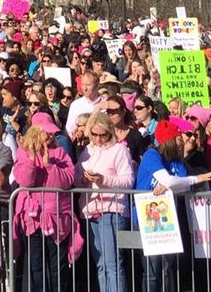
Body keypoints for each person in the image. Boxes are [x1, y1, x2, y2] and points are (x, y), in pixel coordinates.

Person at [135, 119, 211, 292]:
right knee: (153, 270)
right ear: (170, 141)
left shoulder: (177, 161)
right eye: (179, 139)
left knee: (167, 269)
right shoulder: (152, 155)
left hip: (168, 220)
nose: (182, 142)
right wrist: (189, 180)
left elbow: (179, 183)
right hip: (147, 218)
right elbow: (173, 180)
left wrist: (173, 184)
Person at [12, 113, 81, 292]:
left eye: (52, 133)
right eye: (46, 132)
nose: (51, 136)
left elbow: (67, 180)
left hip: (57, 220)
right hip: (32, 220)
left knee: (57, 266)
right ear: (35, 131)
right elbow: (25, 181)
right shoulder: (23, 151)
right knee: (36, 266)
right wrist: (32, 161)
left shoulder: (59, 152)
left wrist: (50, 165)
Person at [75, 111, 134, 292]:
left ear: (110, 132)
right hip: (90, 210)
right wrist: (83, 179)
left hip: (112, 210)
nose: (99, 139)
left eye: (103, 135)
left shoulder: (120, 150)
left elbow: (128, 181)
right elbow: (76, 176)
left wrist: (103, 180)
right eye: (94, 135)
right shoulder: (87, 151)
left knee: (113, 263)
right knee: (100, 263)